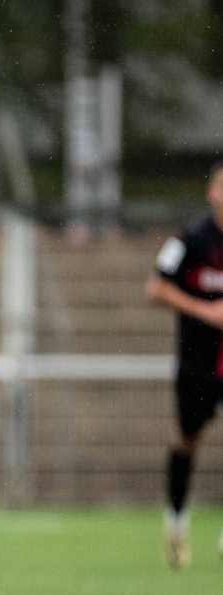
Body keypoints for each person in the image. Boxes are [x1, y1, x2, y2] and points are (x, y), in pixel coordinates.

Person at [145, 160, 223, 568]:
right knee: (187, 440)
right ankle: (176, 522)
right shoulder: (190, 241)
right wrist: (205, 310)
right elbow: (155, 287)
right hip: (198, 364)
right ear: (212, 192)